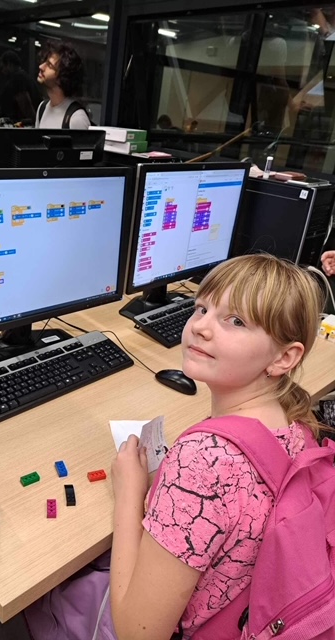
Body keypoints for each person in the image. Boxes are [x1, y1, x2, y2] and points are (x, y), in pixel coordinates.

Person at [110, 253, 324, 638]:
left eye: (236, 321)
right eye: (202, 308)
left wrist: (128, 493)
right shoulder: (294, 422)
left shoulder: (203, 460)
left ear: (284, 357)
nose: (200, 327)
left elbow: (136, 633)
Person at [35, 41, 90, 129]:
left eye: (49, 65)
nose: (41, 66)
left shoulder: (76, 118)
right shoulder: (42, 108)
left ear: (62, 78)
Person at [0, 50, 41, 125]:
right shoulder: (26, 78)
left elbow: (25, 103)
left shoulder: (17, 79)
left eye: (2, 67)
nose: (2, 71)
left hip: (19, 125)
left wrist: (33, 123)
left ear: (9, 64)